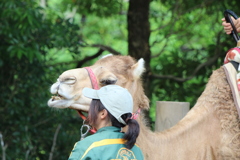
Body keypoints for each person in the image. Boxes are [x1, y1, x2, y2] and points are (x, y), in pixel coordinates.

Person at [68, 85, 144, 160]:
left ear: (103, 114)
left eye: (91, 106)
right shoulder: (136, 150)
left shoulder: (88, 146)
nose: (89, 111)